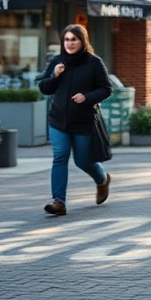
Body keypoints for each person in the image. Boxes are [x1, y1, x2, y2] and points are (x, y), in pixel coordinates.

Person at [38, 24, 113, 216]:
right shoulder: (57, 61)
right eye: (66, 39)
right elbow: (44, 88)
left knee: (82, 161)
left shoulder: (94, 63)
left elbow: (106, 88)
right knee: (60, 156)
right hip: (58, 120)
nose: (70, 43)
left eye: (74, 39)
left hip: (83, 121)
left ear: (82, 41)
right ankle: (58, 202)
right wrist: (54, 75)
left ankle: (102, 179)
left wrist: (86, 97)